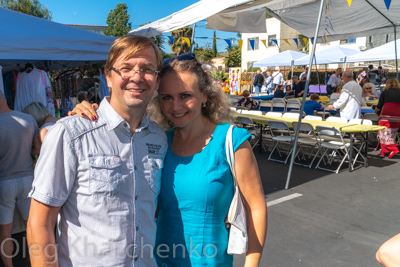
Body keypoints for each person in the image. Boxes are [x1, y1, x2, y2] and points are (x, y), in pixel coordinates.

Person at [71, 53, 268, 266]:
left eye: (185, 96)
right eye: (167, 97)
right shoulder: (159, 142)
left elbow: (256, 207)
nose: (175, 106)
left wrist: (252, 262)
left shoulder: (230, 141)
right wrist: (84, 114)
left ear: (204, 95)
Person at [27, 35, 168, 266]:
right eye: (126, 68)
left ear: (157, 80)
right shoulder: (71, 134)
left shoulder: (158, 138)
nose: (137, 76)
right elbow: (40, 223)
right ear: (108, 76)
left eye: (147, 69)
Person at [0, 91, 41, 267]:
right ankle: (37, 263)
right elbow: (38, 148)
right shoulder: (28, 119)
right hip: (28, 179)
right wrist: (24, 152)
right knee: (34, 229)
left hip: (4, 182)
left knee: (5, 234)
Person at [374, 78, 400, 158]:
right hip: (398, 115)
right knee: (393, 132)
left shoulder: (385, 92)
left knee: (383, 131)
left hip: (387, 114)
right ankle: (385, 151)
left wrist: (376, 111)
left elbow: (379, 106)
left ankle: (393, 148)